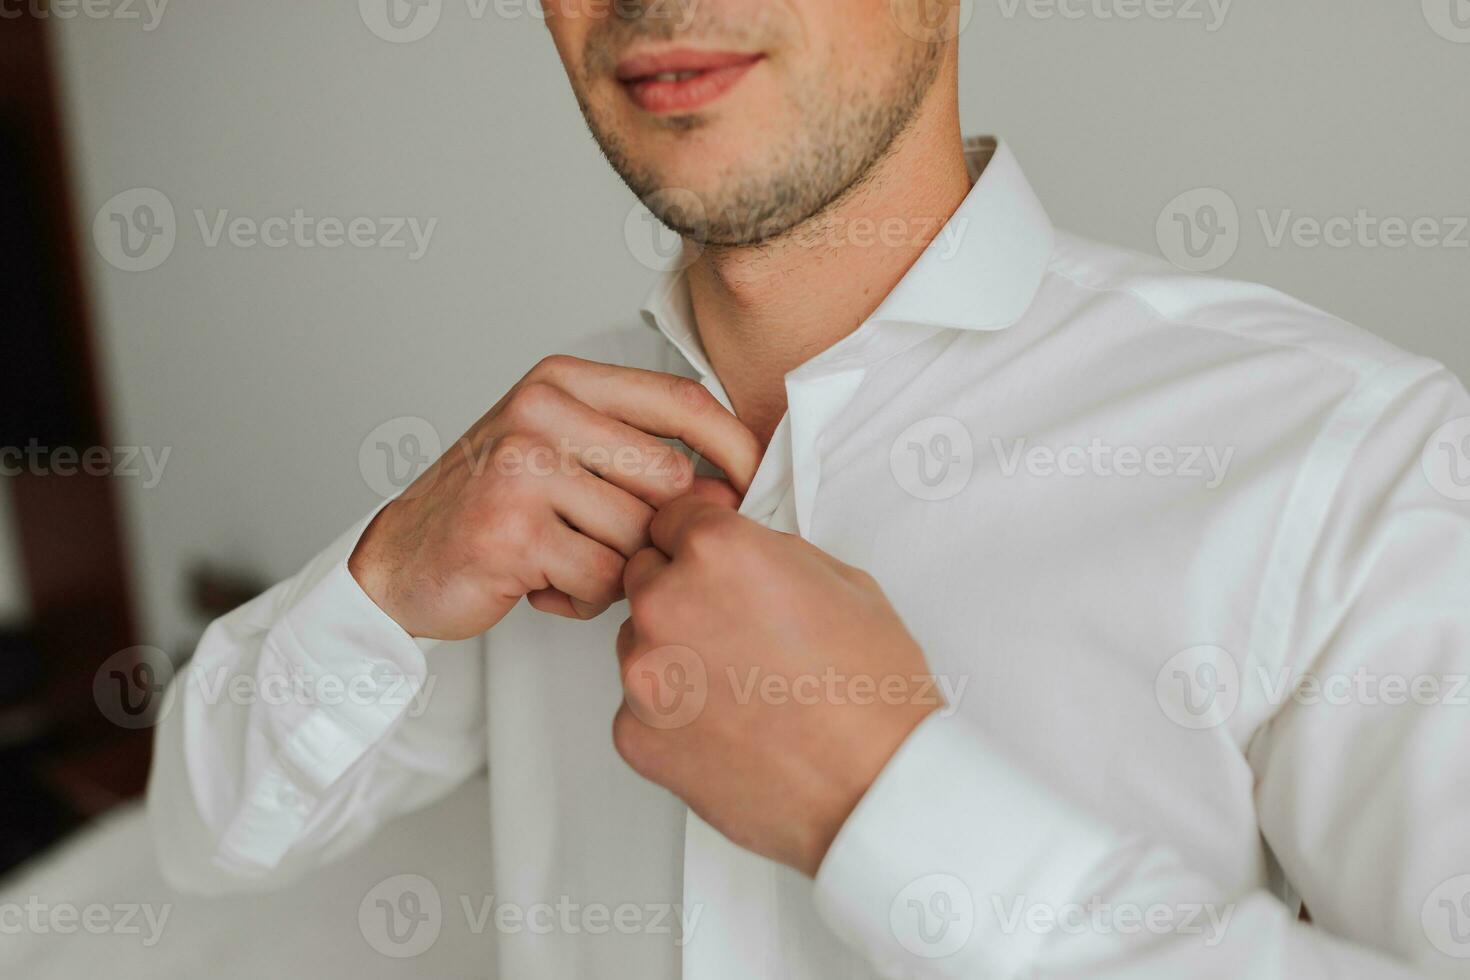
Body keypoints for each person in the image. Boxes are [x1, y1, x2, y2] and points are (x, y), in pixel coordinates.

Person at [147, 1, 1470, 976]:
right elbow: (211, 834)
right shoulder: (537, 462)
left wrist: (880, 799)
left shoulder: (1347, 456)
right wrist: (383, 585)